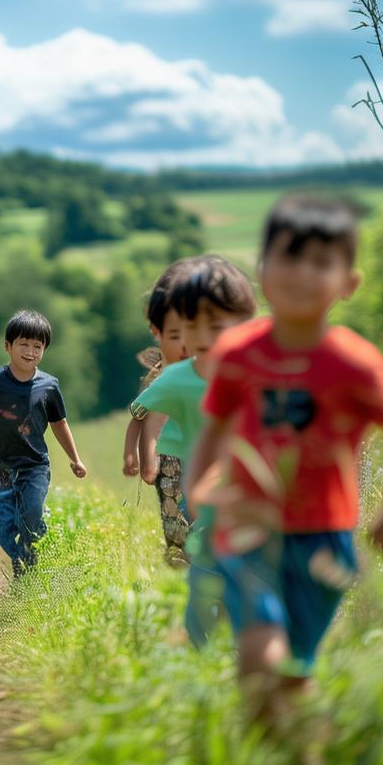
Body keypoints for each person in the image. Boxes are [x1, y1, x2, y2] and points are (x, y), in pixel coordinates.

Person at [186, 194, 383, 728]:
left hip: (325, 540)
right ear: (262, 270)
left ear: (349, 282)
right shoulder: (238, 353)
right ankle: (262, 753)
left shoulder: (355, 364)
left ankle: (294, 754)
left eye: (320, 262)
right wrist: (197, 492)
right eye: (289, 256)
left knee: (296, 669)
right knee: (260, 652)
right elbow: (214, 428)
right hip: (249, 529)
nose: (301, 273)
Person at [128, 255, 257, 646]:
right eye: (185, 328)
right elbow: (147, 418)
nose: (194, 340)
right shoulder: (174, 378)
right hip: (180, 469)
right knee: (189, 543)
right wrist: (145, 455)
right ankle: (202, 625)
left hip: (233, 477)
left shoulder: (243, 370)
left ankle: (227, 623)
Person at [0, 309, 87, 578]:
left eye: (37, 346)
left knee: (31, 518)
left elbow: (60, 423)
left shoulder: (49, 386)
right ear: (8, 346)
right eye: (24, 344)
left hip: (34, 465)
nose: (30, 351)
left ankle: (29, 571)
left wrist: (75, 459)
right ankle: (21, 559)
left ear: (44, 350)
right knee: (4, 528)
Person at [122, 261, 190, 567]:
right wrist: (139, 457)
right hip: (170, 462)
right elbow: (141, 419)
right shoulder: (162, 382)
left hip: (205, 457)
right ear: (158, 334)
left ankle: (199, 564)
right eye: (176, 336)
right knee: (175, 523)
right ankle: (179, 561)